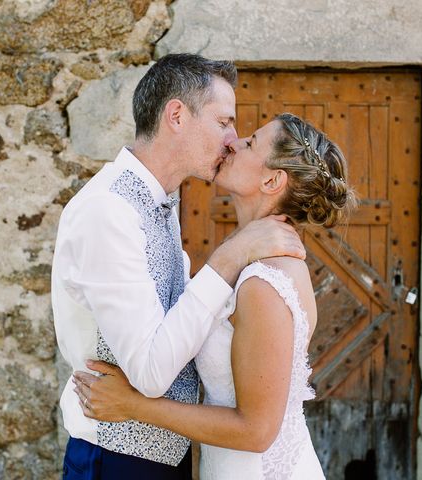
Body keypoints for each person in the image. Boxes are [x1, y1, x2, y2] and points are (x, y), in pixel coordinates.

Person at [51, 54, 306, 479]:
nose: (232, 138)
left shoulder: (161, 201)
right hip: (115, 460)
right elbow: (150, 372)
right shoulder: (107, 210)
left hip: (168, 457)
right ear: (176, 116)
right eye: (224, 121)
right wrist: (229, 257)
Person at [72, 113, 352, 479]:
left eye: (250, 142)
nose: (234, 143)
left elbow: (256, 431)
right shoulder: (249, 258)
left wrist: (132, 405)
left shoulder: (264, 283)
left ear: (272, 180)